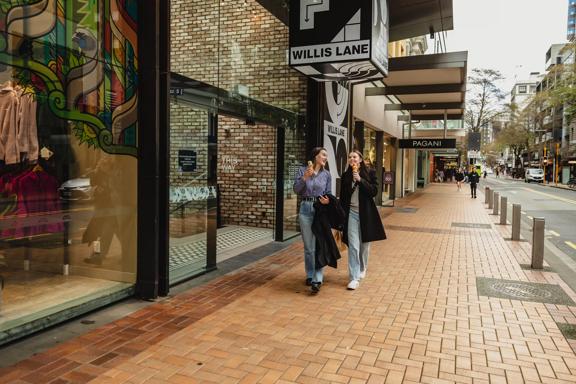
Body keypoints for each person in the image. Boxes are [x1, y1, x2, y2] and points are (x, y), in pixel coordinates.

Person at [339, 150, 386, 290]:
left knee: (364, 245)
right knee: (353, 245)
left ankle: (363, 268)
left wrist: (360, 180)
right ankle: (353, 277)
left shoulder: (370, 173)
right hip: (351, 214)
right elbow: (343, 197)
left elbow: (374, 191)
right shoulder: (346, 176)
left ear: (360, 159)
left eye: (354, 157)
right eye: (349, 157)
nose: (352, 159)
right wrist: (341, 218)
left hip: (366, 214)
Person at [293, 147, 331, 294]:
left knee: (319, 244)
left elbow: (329, 194)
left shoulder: (326, 174)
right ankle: (310, 274)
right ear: (315, 156)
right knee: (309, 247)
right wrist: (304, 178)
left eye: (326, 155)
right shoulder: (303, 170)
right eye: (323, 155)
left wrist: (328, 201)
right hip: (305, 209)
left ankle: (317, 278)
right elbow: (296, 190)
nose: (325, 157)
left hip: (320, 210)